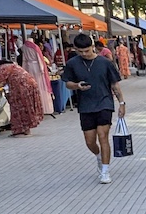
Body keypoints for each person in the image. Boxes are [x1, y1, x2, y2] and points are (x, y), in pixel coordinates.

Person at [63, 32, 125, 184]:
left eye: (87, 50)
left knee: (103, 135)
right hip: (85, 105)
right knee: (90, 140)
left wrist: (122, 103)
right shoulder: (72, 63)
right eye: (80, 51)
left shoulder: (105, 62)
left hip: (104, 102)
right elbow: (67, 83)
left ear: (93, 46)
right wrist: (77, 86)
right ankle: (99, 156)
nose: (84, 54)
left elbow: (115, 84)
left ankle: (105, 170)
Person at [0, 58, 43, 136]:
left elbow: (0, 84)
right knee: (23, 107)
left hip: (22, 86)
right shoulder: (8, 65)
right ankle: (23, 130)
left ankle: (25, 130)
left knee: (21, 107)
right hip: (27, 84)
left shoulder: (1, 69)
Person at [21, 37, 55, 116]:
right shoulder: (35, 47)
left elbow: (24, 60)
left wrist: (24, 70)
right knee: (41, 85)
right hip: (37, 67)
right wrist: (42, 69)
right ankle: (43, 106)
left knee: (33, 86)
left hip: (29, 67)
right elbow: (39, 59)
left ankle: (36, 107)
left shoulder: (24, 47)